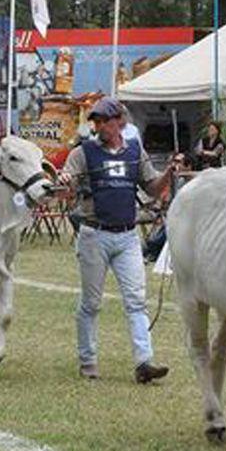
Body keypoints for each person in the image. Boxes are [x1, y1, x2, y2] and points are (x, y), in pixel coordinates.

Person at [57, 98, 182, 383]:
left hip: (127, 236)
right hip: (93, 234)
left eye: (104, 120)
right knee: (91, 303)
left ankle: (144, 362)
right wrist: (65, 181)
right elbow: (68, 187)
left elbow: (151, 187)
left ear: (119, 122)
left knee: (137, 301)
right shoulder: (83, 153)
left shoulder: (135, 152)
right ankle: (88, 361)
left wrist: (169, 173)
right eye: (96, 121)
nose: (99, 125)